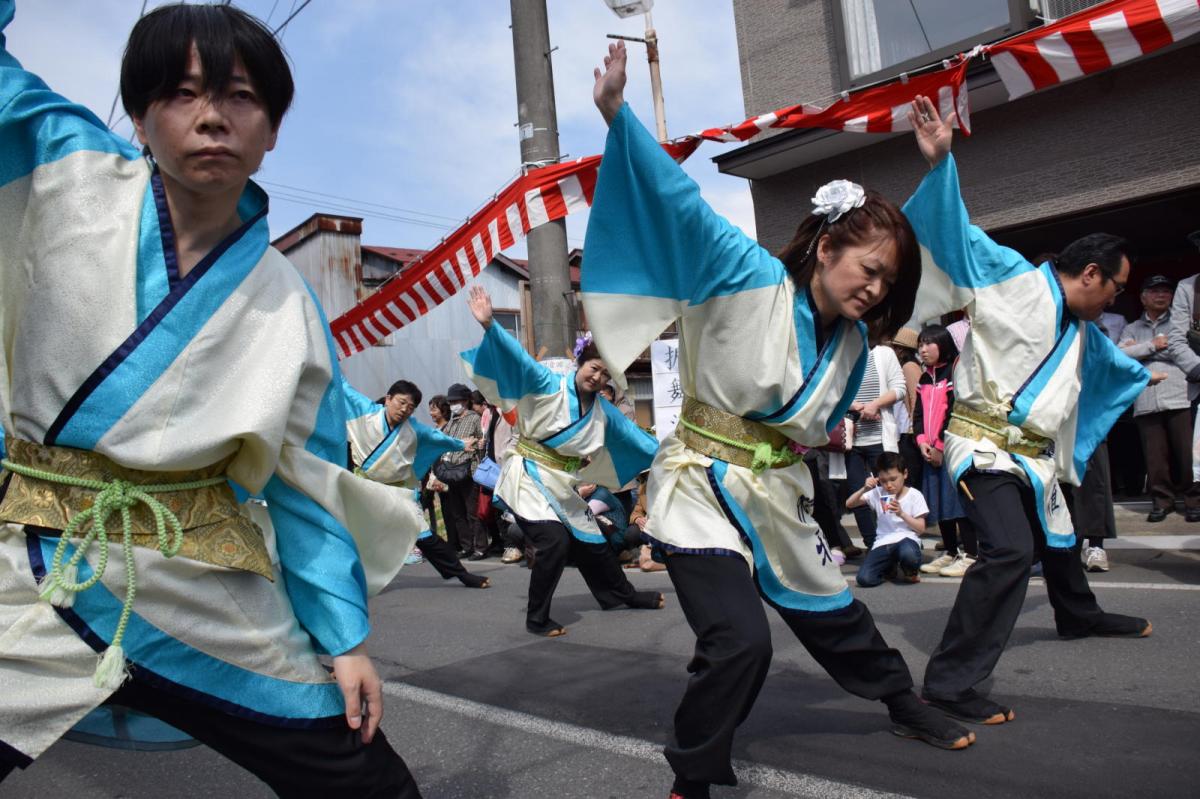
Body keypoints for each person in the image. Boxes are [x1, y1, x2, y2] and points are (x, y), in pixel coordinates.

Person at [0, 4, 422, 794]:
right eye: (183, 93)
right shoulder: (63, 171)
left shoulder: (289, 306)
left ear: (272, 129)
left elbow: (308, 488)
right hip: (34, 562)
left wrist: (347, 641)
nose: (211, 120)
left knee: (370, 784)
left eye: (239, 97)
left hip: (201, 588)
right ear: (139, 114)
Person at [584, 42, 974, 799]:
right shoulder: (744, 274)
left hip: (779, 486)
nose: (877, 288)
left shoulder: (858, 343)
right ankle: (692, 776)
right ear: (826, 247)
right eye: (868, 269)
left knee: (834, 607)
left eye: (887, 280)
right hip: (699, 483)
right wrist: (616, 116)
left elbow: (938, 265)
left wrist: (938, 169)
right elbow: (678, 203)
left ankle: (903, 700)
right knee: (739, 642)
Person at [904, 94, 1152, 728]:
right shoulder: (1010, 276)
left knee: (1060, 537)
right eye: (1118, 287)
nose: (1118, 298)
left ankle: (1079, 614)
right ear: (1091, 274)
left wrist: (1145, 365)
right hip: (982, 443)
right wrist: (940, 167)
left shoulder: (1084, 332)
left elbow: (1115, 372)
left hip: (1032, 457)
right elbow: (953, 233)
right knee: (1011, 552)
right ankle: (951, 682)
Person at [462, 286, 664, 637]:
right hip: (527, 475)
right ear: (581, 361)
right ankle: (537, 617)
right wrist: (490, 325)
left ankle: (619, 596)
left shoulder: (604, 413)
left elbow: (640, 442)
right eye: (595, 369)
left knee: (594, 541)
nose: (598, 378)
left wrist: (677, 453)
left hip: (561, 483)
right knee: (554, 541)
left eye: (606, 375)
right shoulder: (549, 384)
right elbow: (519, 359)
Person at [344, 378, 490, 589]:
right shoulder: (364, 410)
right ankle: (346, 580)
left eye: (410, 407)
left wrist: (460, 444)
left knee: (425, 535)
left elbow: (439, 439)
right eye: (401, 402)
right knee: (351, 534)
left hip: (396, 491)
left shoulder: (414, 429)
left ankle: (461, 574)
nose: (404, 410)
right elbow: (342, 385)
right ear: (388, 399)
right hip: (362, 489)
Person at [1124, 275, 1200, 525]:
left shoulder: (1180, 321)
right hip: (1146, 400)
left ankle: (1193, 501)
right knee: (1155, 458)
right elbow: (1121, 355)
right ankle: (1162, 501)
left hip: (1180, 396)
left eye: (1166, 291)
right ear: (1143, 297)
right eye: (1154, 291)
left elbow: (1181, 348)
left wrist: (1142, 350)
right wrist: (1153, 345)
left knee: (1189, 455)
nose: (1161, 295)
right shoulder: (1131, 327)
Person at [913, 325, 978, 578]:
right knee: (939, 504)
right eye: (920, 344)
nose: (923, 349)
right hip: (928, 451)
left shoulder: (954, 372)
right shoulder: (923, 377)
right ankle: (950, 551)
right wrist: (921, 442)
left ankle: (971, 554)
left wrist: (940, 445)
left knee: (958, 504)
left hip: (951, 450)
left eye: (929, 343)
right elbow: (917, 414)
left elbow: (954, 411)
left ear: (943, 344)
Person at [843, 340, 906, 549]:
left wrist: (874, 405)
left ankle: (893, 539)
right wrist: (854, 406)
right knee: (858, 492)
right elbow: (832, 391)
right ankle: (873, 545)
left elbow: (899, 389)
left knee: (889, 491)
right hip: (851, 440)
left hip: (880, 438)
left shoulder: (883, 353)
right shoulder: (843, 351)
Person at [846, 452, 928, 586]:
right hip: (883, 542)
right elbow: (849, 504)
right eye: (883, 481)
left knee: (909, 554)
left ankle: (910, 571)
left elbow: (921, 528)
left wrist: (902, 514)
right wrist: (864, 488)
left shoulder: (914, 495)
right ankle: (889, 567)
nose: (889, 485)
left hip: (907, 539)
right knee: (864, 579)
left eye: (893, 479)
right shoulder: (877, 493)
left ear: (905, 474)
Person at [435, 384, 489, 560]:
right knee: (457, 513)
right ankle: (466, 546)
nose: (453, 405)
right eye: (451, 402)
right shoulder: (452, 420)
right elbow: (446, 441)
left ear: (466, 401)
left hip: (469, 470)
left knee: (472, 512)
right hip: (452, 471)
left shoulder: (474, 418)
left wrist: (476, 445)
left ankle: (480, 547)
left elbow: (482, 442)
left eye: (456, 401)